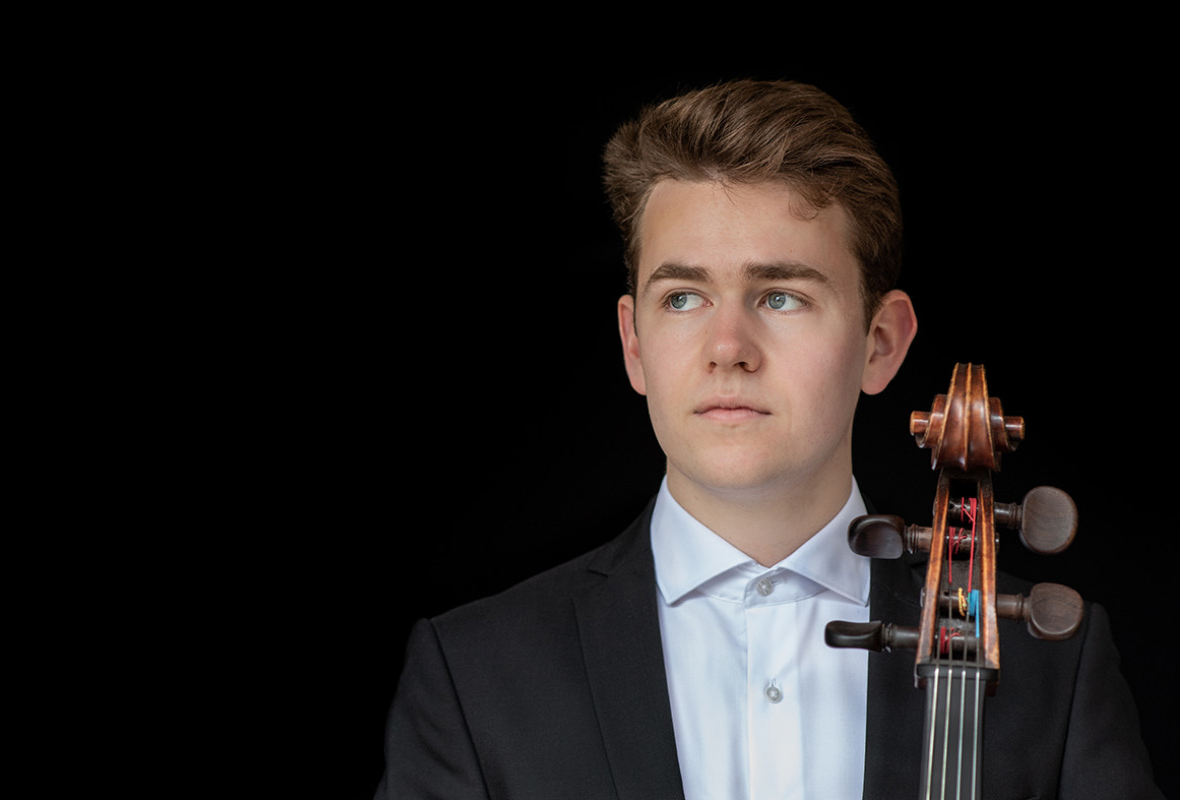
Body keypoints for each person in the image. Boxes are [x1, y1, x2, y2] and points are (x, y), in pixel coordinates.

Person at [378, 79, 1161, 799]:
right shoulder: (472, 675)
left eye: (780, 296)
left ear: (881, 343)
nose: (728, 346)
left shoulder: (1055, 663)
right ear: (634, 343)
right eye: (683, 297)